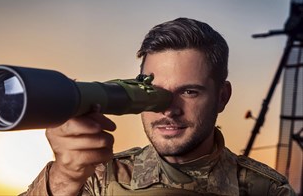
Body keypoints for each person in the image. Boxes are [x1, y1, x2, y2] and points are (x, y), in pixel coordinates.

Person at [22, 18, 295, 196]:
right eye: (155, 93)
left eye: (189, 91)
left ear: (222, 97)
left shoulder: (267, 190)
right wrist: (65, 176)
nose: (168, 110)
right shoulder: (100, 177)